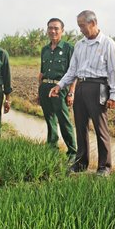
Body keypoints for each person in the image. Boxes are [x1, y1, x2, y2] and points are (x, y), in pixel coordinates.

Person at [49, 10, 115, 176]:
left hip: (98, 87)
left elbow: (114, 72)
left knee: (100, 128)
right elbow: (72, 70)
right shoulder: (79, 45)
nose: (80, 29)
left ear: (93, 23)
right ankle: (81, 162)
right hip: (81, 87)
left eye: (82, 26)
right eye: (79, 26)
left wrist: (114, 95)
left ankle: (104, 167)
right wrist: (60, 86)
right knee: (80, 127)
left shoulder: (107, 43)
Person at [38, 18, 77, 160]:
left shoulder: (69, 48)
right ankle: (52, 147)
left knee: (64, 120)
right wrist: (39, 91)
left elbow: (74, 73)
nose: (53, 31)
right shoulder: (45, 50)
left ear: (62, 31)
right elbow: (41, 73)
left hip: (60, 89)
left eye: (56, 28)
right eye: (50, 28)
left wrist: (71, 92)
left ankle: (73, 152)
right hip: (45, 87)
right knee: (49, 119)